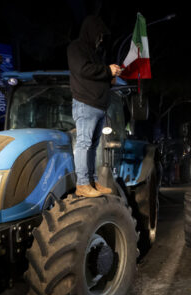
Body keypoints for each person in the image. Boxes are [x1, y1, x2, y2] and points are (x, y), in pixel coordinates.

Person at [67, 15, 122, 197]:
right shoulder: (76, 48)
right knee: (83, 143)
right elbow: (83, 70)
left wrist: (110, 78)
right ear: (91, 32)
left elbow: (96, 76)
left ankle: (91, 181)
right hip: (86, 104)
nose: (100, 39)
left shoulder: (96, 54)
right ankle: (82, 184)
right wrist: (107, 70)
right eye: (99, 35)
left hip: (99, 106)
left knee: (93, 145)